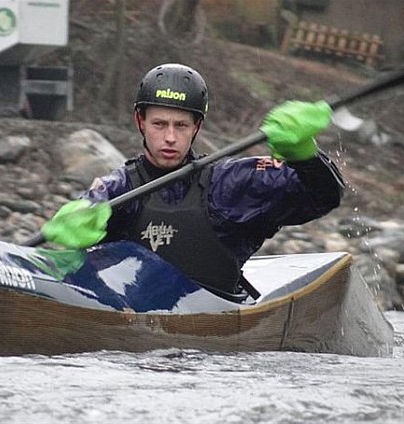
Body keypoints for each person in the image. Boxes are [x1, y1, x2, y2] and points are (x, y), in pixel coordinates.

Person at [42, 63, 344, 302]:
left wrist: (304, 155)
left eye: (181, 125)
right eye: (159, 124)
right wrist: (77, 217)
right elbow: (92, 202)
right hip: (132, 323)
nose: (170, 137)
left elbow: (324, 195)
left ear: (196, 126)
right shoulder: (119, 188)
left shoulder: (229, 185)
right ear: (140, 122)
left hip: (216, 332)